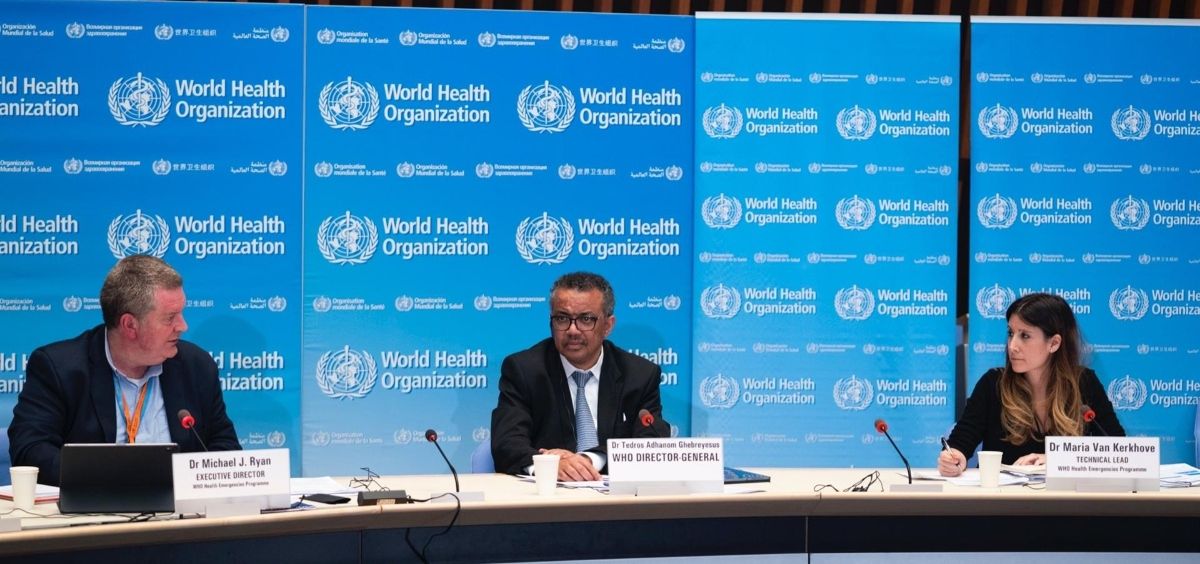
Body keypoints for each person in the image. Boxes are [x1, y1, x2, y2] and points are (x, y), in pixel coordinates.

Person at [8, 255, 240, 486]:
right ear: (130, 325)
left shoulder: (196, 366)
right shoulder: (60, 369)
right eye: (170, 318)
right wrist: (117, 481)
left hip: (179, 505)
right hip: (97, 506)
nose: (183, 326)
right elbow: (30, 452)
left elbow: (225, 446)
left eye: (181, 313)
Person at [491, 272, 669, 481]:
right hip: (547, 494)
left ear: (608, 326)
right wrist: (549, 465)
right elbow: (507, 443)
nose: (573, 330)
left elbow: (650, 444)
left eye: (586, 319)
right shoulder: (525, 370)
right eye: (562, 318)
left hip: (616, 496)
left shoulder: (639, 375)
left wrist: (590, 459)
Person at [938, 293, 1123, 476]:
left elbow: (1118, 451)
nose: (1012, 346)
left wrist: (1057, 460)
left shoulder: (1084, 384)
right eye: (1011, 333)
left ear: (1054, 343)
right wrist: (954, 458)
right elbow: (960, 444)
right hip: (1002, 494)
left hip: (1062, 495)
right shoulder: (993, 384)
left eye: (1025, 335)